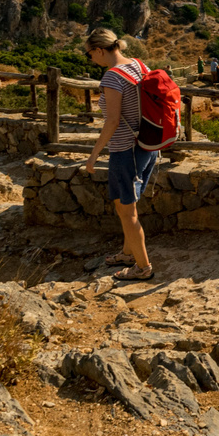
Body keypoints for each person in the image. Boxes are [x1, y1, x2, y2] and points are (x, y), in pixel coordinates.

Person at [83, 28, 155, 281]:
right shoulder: (137, 64)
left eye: (89, 54)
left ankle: (142, 267)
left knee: (127, 212)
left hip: (126, 150)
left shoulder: (112, 77)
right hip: (147, 146)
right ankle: (128, 252)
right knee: (127, 205)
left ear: (100, 50)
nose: (90, 59)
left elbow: (112, 121)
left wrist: (93, 155)